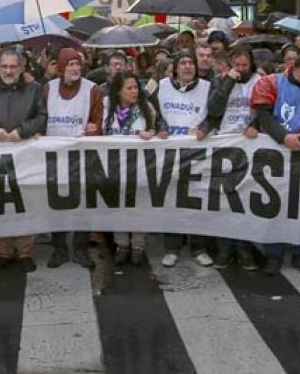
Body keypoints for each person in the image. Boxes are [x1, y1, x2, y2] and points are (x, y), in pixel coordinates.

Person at [250, 51, 300, 276]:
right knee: (275, 205)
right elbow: (264, 116)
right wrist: (284, 137)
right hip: (276, 153)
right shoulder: (271, 83)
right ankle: (273, 255)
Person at [0, 49, 48, 272]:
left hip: (26, 156)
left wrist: (23, 131)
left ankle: (25, 253)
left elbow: (42, 116)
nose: (8, 70)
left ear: (21, 68)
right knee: (0, 204)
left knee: (27, 203)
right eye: (4, 66)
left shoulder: (33, 89)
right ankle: (4, 253)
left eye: (13, 66)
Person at [149, 50, 214, 269]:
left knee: (197, 200)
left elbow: (214, 114)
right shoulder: (162, 86)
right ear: (175, 68)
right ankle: (172, 248)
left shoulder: (207, 87)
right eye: (183, 63)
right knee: (172, 199)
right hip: (170, 152)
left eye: (190, 63)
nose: (187, 66)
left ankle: (199, 248)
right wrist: (160, 127)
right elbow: (152, 111)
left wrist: (205, 128)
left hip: (197, 153)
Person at [42, 48, 103, 269]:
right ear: (61, 67)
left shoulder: (92, 90)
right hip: (53, 157)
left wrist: (93, 131)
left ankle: (80, 248)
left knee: (83, 202)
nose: (75, 68)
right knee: (55, 202)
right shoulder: (48, 89)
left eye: (78, 64)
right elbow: (39, 117)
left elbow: (98, 121)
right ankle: (59, 247)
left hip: (82, 156)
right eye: (70, 65)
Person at [205, 45, 261, 270]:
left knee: (245, 199)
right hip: (225, 145)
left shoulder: (260, 81)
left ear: (251, 64)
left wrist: (255, 125)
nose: (240, 69)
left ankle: (244, 248)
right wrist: (228, 82)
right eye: (236, 65)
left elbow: (266, 110)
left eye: (244, 65)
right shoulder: (220, 80)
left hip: (249, 147)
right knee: (224, 199)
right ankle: (225, 248)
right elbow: (213, 109)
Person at [103, 71, 167, 266]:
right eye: (129, 88)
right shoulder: (107, 106)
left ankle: (138, 244)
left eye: (136, 87)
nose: (134, 91)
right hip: (114, 166)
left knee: (139, 205)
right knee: (117, 206)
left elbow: (158, 127)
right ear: (118, 91)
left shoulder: (146, 107)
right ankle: (121, 244)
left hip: (139, 167)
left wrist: (153, 133)